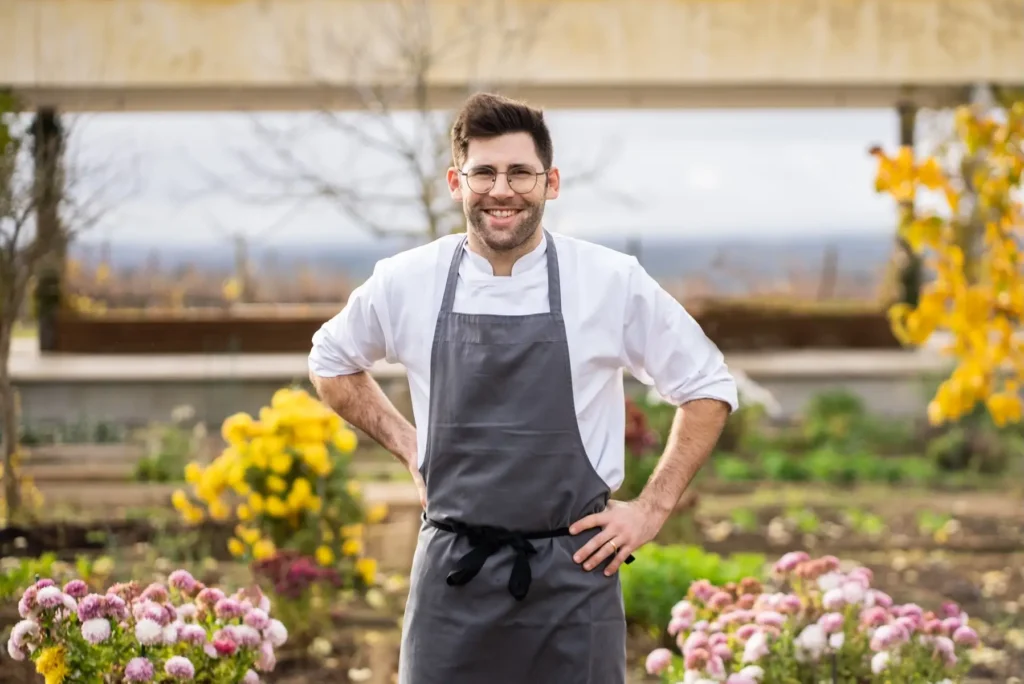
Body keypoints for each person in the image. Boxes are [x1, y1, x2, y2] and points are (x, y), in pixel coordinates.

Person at [308, 92, 737, 684]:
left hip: (574, 581)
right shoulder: (408, 280)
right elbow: (330, 361)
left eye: (520, 173)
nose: (501, 190)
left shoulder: (610, 281)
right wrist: (411, 447)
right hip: (452, 581)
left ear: (551, 182)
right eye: (484, 172)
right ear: (457, 181)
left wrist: (652, 509)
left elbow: (708, 386)